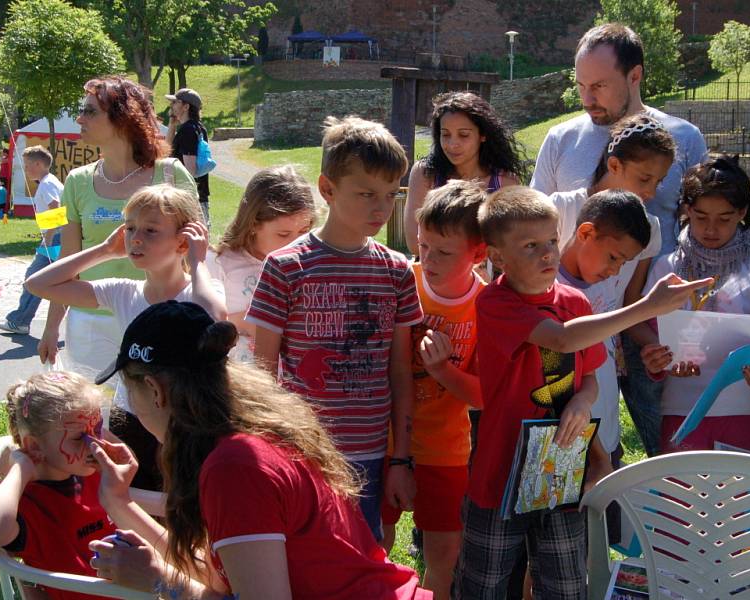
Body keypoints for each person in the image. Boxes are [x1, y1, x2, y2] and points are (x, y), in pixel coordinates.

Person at [452, 186, 713, 598]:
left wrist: (582, 400)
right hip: (499, 473)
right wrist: (648, 307)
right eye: (531, 245)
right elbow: (560, 340)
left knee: (567, 585)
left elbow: (588, 373)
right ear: (498, 257)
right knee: (482, 584)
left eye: (553, 241)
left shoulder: (575, 301)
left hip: (563, 471)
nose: (548, 254)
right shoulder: (496, 302)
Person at [87, 301, 433, 600]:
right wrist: (121, 502)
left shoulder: (234, 468)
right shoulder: (247, 438)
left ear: (154, 389)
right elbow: (229, 575)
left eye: (127, 387)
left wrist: (158, 580)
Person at [531, 23, 709, 458]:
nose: (588, 98)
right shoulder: (562, 138)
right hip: (569, 326)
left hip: (651, 318)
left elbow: (699, 224)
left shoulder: (682, 139)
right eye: (582, 86)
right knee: (572, 441)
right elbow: (532, 229)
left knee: (664, 440)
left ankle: (664, 518)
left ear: (634, 76)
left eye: (600, 86)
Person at [246, 116, 422, 542]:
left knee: (365, 564)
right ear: (328, 189)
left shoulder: (397, 270)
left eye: (390, 195)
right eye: (366, 194)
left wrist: (401, 460)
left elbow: (400, 373)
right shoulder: (286, 267)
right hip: (303, 453)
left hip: (371, 457)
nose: (381, 209)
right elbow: (262, 374)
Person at [26, 184, 225, 490]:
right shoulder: (121, 292)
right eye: (130, 228)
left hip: (185, 422)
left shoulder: (198, 291)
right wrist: (104, 250)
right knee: (134, 504)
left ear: (183, 242)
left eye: (151, 230)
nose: (136, 238)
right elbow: (38, 284)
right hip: (132, 417)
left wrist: (199, 262)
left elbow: (212, 315)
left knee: (182, 509)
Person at [36, 76, 198, 377]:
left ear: (123, 119)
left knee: (159, 412)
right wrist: (51, 327)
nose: (79, 118)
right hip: (90, 321)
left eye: (90, 111)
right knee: (94, 416)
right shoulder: (78, 180)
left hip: (160, 315)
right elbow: (68, 261)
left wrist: (202, 310)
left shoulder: (170, 174)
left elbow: (197, 251)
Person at [380, 180, 486, 598]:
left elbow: (481, 395)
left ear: (479, 253)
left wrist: (442, 370)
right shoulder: (403, 280)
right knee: (376, 543)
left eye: (444, 252)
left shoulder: (487, 305)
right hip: (384, 440)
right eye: (424, 246)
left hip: (446, 446)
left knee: (444, 554)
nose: (429, 259)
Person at [550, 114, 676, 456]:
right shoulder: (557, 210)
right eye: (644, 178)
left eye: (659, 182)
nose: (650, 192)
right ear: (614, 164)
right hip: (546, 369)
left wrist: (653, 348)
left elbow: (628, 305)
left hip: (599, 372)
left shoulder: (648, 233)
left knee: (601, 466)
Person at [641, 156, 750, 453]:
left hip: (743, 409)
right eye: (700, 217)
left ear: (742, 213)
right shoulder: (666, 267)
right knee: (681, 494)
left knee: (740, 495)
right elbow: (647, 329)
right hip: (680, 407)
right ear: (686, 210)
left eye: (724, 219)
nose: (711, 229)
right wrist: (658, 358)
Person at [0, 371, 114, 600]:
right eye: (80, 437)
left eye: (97, 428)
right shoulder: (29, 506)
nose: (95, 443)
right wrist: (22, 468)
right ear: (35, 446)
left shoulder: (90, 473)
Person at [556, 189, 652, 492]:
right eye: (613, 257)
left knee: (602, 533)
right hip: (565, 438)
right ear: (586, 232)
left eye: (624, 263)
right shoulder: (548, 289)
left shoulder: (604, 280)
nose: (615, 270)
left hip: (606, 432)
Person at [206, 165, 315, 362]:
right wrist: (248, 323)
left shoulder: (308, 264)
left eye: (304, 231)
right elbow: (202, 325)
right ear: (254, 223)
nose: (296, 242)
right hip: (238, 380)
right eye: (284, 234)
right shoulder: (220, 262)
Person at [403, 91, 525, 256]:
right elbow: (413, 243)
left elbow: (510, 246)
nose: (453, 144)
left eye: (463, 135)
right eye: (445, 135)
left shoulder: (506, 183)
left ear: (482, 135)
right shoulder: (425, 174)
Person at [0, 146, 64, 336]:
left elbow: (55, 207)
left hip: (55, 238)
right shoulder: (49, 182)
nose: (26, 170)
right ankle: (21, 320)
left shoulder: (47, 183)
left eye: (27, 166)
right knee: (39, 280)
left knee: (33, 279)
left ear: (38, 164)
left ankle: (20, 321)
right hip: (56, 236)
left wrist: (48, 238)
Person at [166, 88, 211, 228]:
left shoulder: (188, 131)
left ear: (186, 107)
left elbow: (190, 172)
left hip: (189, 200)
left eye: (175, 102)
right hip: (192, 197)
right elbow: (166, 150)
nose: (171, 105)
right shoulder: (196, 127)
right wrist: (172, 124)